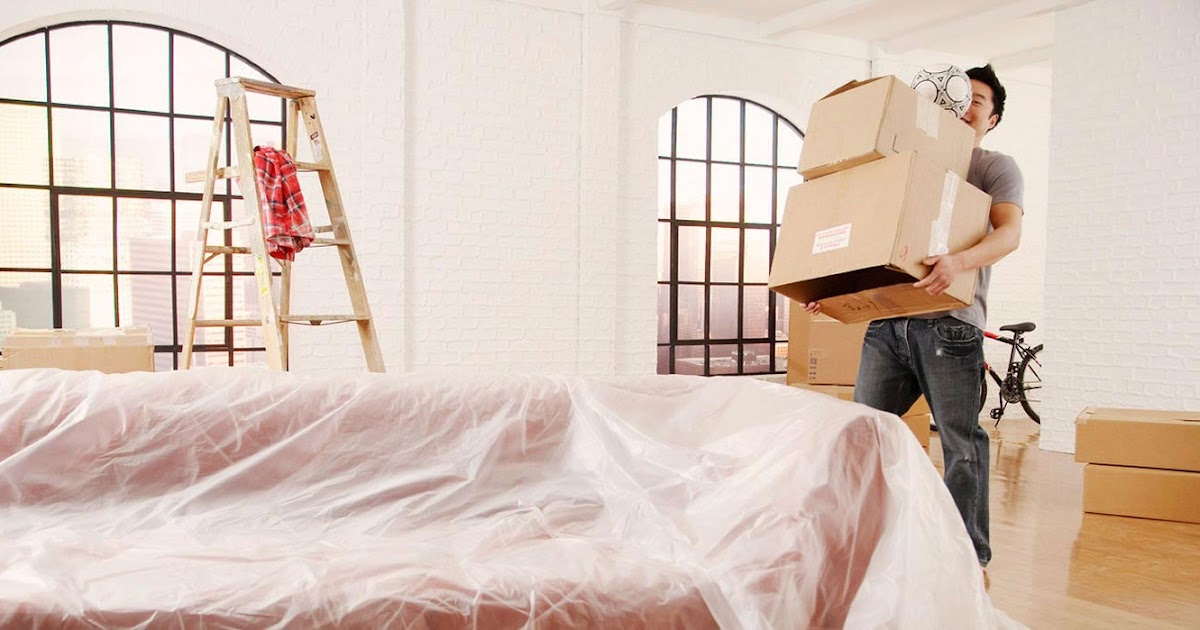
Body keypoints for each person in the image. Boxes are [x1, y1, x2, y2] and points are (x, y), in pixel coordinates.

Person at [799, 64, 1023, 569]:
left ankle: (967, 556)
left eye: (977, 101)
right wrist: (829, 288)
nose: (962, 105)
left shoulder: (994, 167)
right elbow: (866, 232)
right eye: (956, 95)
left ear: (992, 119)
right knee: (863, 432)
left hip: (950, 324)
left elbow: (1009, 234)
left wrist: (958, 263)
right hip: (888, 323)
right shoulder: (906, 160)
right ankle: (857, 539)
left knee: (960, 442)